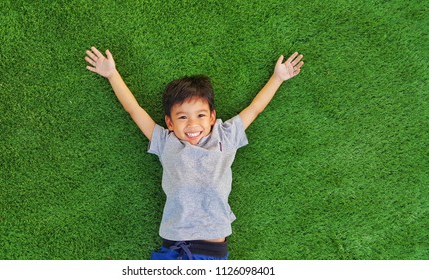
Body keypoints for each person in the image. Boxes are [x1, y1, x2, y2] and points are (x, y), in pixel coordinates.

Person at [85, 46, 304, 260]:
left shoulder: (225, 136)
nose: (192, 124)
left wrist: (277, 78)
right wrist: (112, 74)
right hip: (172, 245)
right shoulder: (165, 142)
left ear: (211, 117)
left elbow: (255, 109)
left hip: (211, 250)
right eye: (182, 117)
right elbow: (134, 110)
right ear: (169, 123)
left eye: (200, 115)